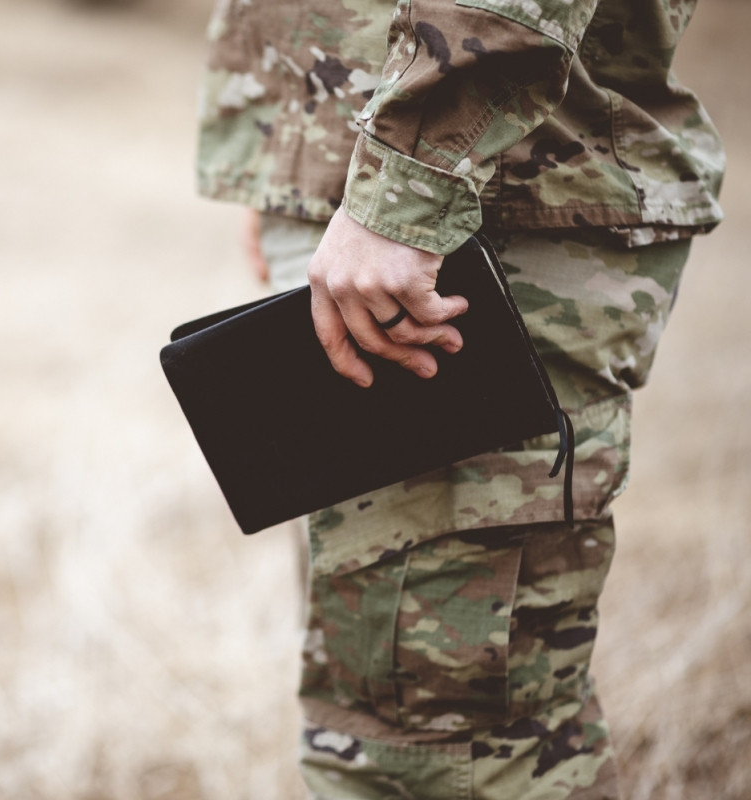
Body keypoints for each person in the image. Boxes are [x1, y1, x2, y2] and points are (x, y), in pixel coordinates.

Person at [196, 1, 723, 797]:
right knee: (368, 718)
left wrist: (400, 189)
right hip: (378, 188)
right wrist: (296, 158)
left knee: (448, 749)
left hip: (480, 205)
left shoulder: (414, 187)